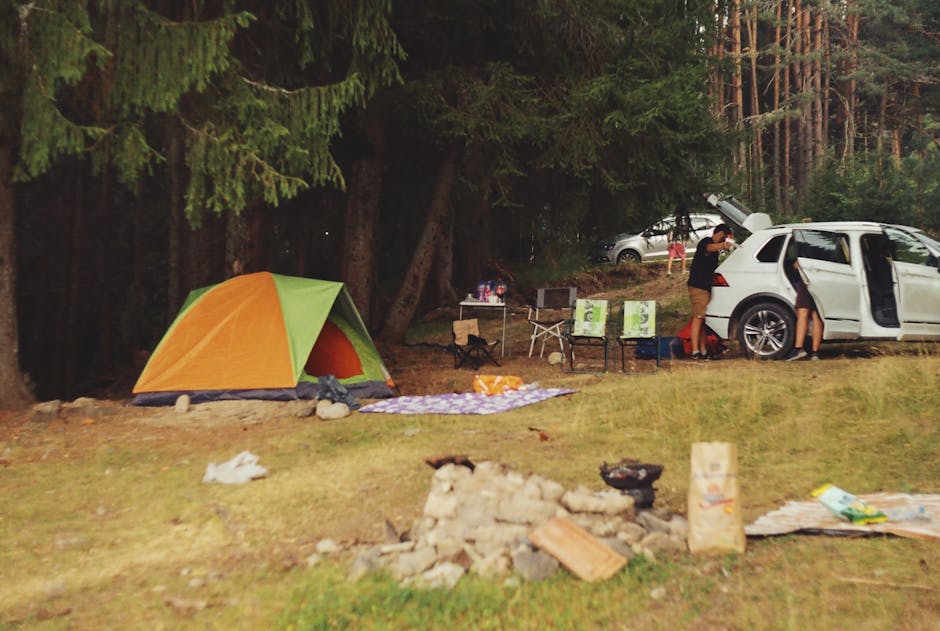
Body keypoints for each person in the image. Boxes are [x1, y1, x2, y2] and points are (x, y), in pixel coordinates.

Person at [686, 223, 733, 359]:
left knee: (703, 319)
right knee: (698, 317)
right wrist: (724, 245)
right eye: (724, 238)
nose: (724, 241)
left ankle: (703, 350)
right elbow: (709, 248)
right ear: (720, 234)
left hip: (706, 287)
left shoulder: (715, 251)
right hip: (698, 286)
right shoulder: (706, 242)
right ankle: (695, 351)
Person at [786, 259, 823, 361]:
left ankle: (798, 348)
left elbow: (796, 265)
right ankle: (815, 353)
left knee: (802, 312)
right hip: (822, 278)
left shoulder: (806, 246)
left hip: (807, 277)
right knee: (817, 315)